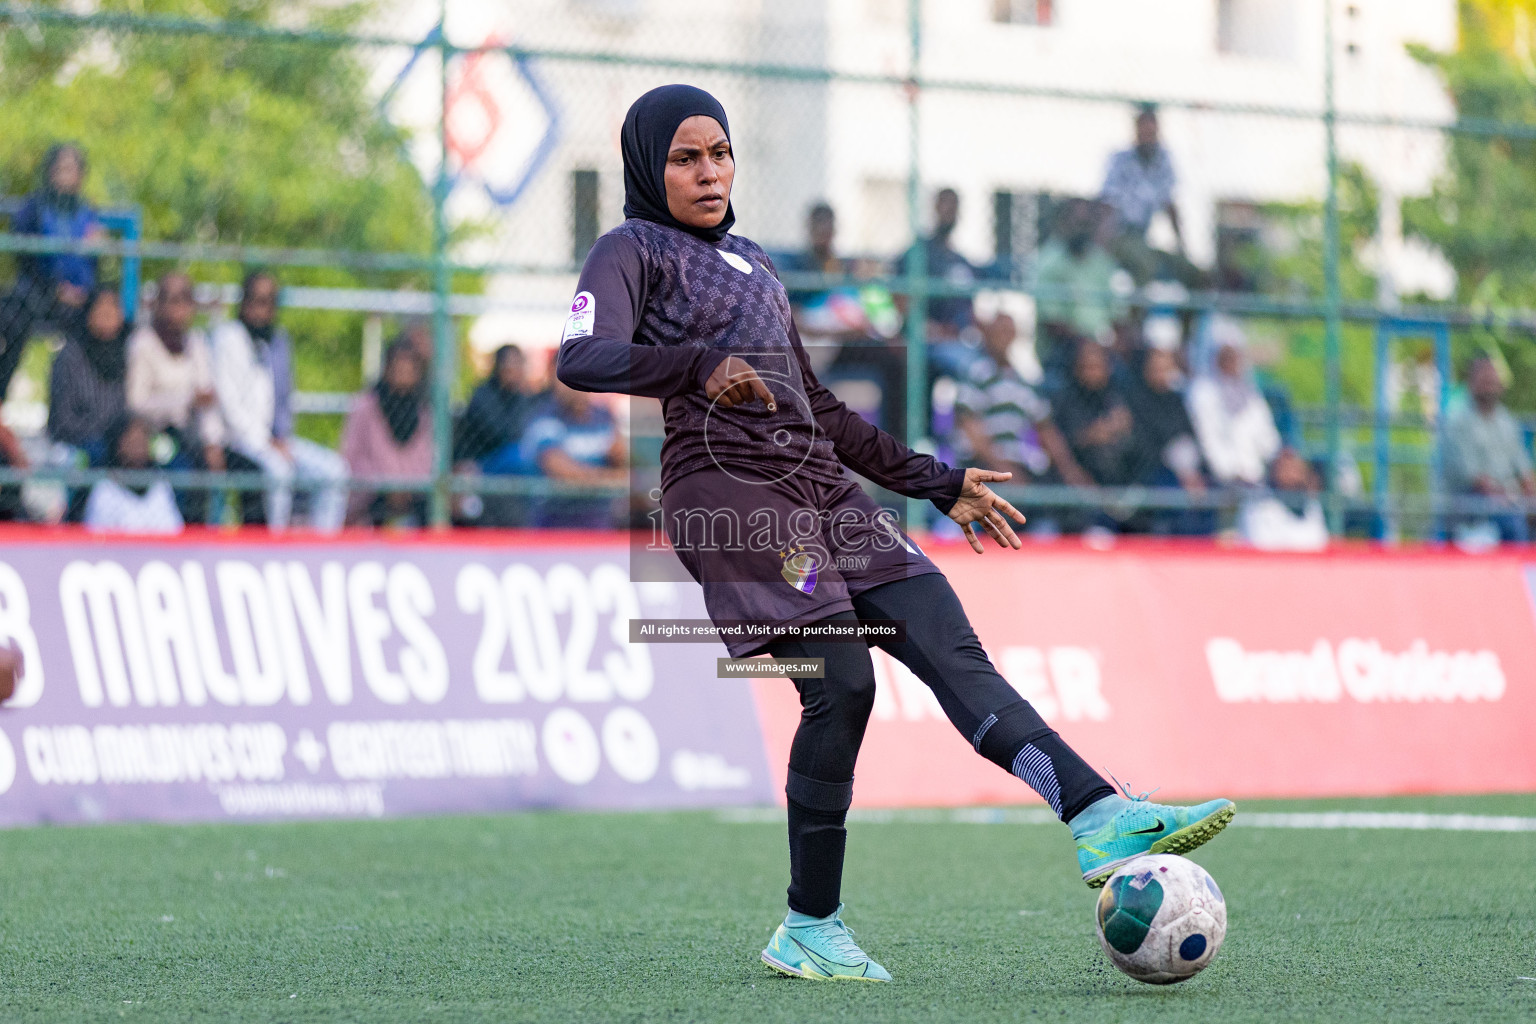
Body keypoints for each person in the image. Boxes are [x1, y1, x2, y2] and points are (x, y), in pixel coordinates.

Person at [555, 84, 1234, 982]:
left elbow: (823, 409)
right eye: (686, 158)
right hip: (731, 490)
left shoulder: (756, 261)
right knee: (843, 682)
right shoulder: (631, 248)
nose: (709, 171)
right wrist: (695, 367)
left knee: (949, 646)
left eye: (719, 153)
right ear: (650, 166)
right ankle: (809, 925)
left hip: (822, 489)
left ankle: (1093, 812)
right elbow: (581, 355)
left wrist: (939, 480)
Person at [211, 270, 347, 532]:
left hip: (275, 440)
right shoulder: (227, 338)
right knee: (279, 472)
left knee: (333, 471)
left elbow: (283, 399)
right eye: (257, 301)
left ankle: (322, 551)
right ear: (244, 303)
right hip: (238, 442)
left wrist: (281, 438)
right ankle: (276, 550)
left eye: (270, 303)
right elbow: (229, 407)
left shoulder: (275, 341)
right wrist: (268, 443)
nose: (263, 311)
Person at [0, 144, 105, 401]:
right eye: (59, 169)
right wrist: (56, 290)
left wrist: (98, 251)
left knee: (112, 320)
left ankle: (92, 413)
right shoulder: (33, 209)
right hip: (42, 295)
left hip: (82, 298)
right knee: (12, 316)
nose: (64, 176)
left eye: (70, 169)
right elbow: (25, 260)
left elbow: (96, 267)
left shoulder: (89, 213)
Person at [127, 271, 226, 521]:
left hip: (191, 438)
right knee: (181, 473)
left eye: (185, 300)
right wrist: (184, 400)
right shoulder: (143, 344)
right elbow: (136, 402)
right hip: (155, 436)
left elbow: (207, 399)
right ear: (158, 305)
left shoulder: (196, 343)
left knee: (221, 466)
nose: (178, 308)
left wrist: (213, 442)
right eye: (171, 300)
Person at [951, 312, 1089, 489]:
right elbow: (969, 425)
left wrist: (1071, 471)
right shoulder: (976, 372)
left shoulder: (1020, 381)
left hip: (1014, 465)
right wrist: (1000, 467)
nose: (1003, 336)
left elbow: (1045, 427)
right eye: (999, 331)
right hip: (979, 465)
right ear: (987, 334)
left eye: (1008, 331)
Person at [1099, 105, 1204, 289]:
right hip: (1119, 235)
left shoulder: (1163, 161)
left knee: (1192, 272)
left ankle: (1186, 317)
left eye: (1152, 132)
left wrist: (1182, 248)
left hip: (1143, 238)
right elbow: (1107, 206)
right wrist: (1102, 246)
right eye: (1144, 131)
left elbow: (1169, 204)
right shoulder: (1120, 160)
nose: (1149, 137)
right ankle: (1135, 316)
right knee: (1145, 262)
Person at [339, 340, 433, 527]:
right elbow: (350, 457)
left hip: (413, 495)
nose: (403, 377)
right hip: (372, 495)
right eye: (398, 370)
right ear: (386, 370)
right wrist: (386, 485)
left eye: (409, 371)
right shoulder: (365, 407)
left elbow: (427, 460)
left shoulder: (423, 412)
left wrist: (407, 487)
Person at [1444, 355, 1535, 543]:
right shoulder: (1458, 422)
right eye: (1484, 380)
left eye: (1493, 380)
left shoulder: (1506, 420)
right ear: (1471, 382)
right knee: (1513, 523)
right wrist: (1510, 500)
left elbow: (1524, 470)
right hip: (1471, 500)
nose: (1490, 385)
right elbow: (1474, 479)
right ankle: (1512, 570)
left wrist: (1530, 496)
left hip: (1508, 498)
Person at [1034, 198, 1125, 384]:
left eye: (1086, 223)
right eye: (1077, 222)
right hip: (1063, 350)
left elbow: (1118, 315)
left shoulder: (1102, 262)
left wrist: (1116, 341)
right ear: (1062, 223)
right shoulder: (1048, 262)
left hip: (1101, 348)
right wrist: (1089, 346)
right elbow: (1052, 323)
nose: (1081, 229)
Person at [1124, 347, 1213, 535]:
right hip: (1152, 471)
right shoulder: (1135, 399)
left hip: (1187, 470)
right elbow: (1148, 445)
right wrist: (1182, 474)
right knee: (1175, 496)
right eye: (1156, 368)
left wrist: (1193, 473)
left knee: (1212, 490)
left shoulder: (1176, 400)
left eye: (1165, 368)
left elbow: (1190, 438)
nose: (1162, 373)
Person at [518, 379, 627, 529]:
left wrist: (618, 464)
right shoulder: (545, 417)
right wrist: (609, 479)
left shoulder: (603, 416)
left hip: (599, 518)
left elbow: (621, 460)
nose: (576, 388)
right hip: (554, 520)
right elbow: (561, 469)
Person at [48, 284, 129, 460]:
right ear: (88, 313)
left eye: (114, 306)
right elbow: (62, 421)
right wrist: (103, 432)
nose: (108, 313)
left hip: (120, 440)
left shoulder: (129, 352)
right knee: (96, 451)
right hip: (77, 443)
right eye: (101, 306)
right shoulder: (70, 355)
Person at [1186, 339, 1282, 487]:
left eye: (1235, 356)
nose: (1232, 362)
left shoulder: (1250, 393)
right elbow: (1209, 441)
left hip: (1258, 479)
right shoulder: (1203, 392)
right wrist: (1230, 473)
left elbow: (1268, 439)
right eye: (1226, 357)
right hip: (1223, 481)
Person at [1052, 341, 1138, 489]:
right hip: (1079, 477)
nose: (1092, 373)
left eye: (1097, 367)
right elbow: (1065, 440)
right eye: (1086, 367)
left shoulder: (1118, 395)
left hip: (1124, 476)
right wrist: (1094, 433)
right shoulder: (1065, 399)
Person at [83, 413, 184, 534]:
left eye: (143, 440)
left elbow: (174, 531)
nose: (139, 447)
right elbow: (96, 538)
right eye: (133, 441)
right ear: (119, 445)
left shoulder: (161, 485)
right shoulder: (105, 490)